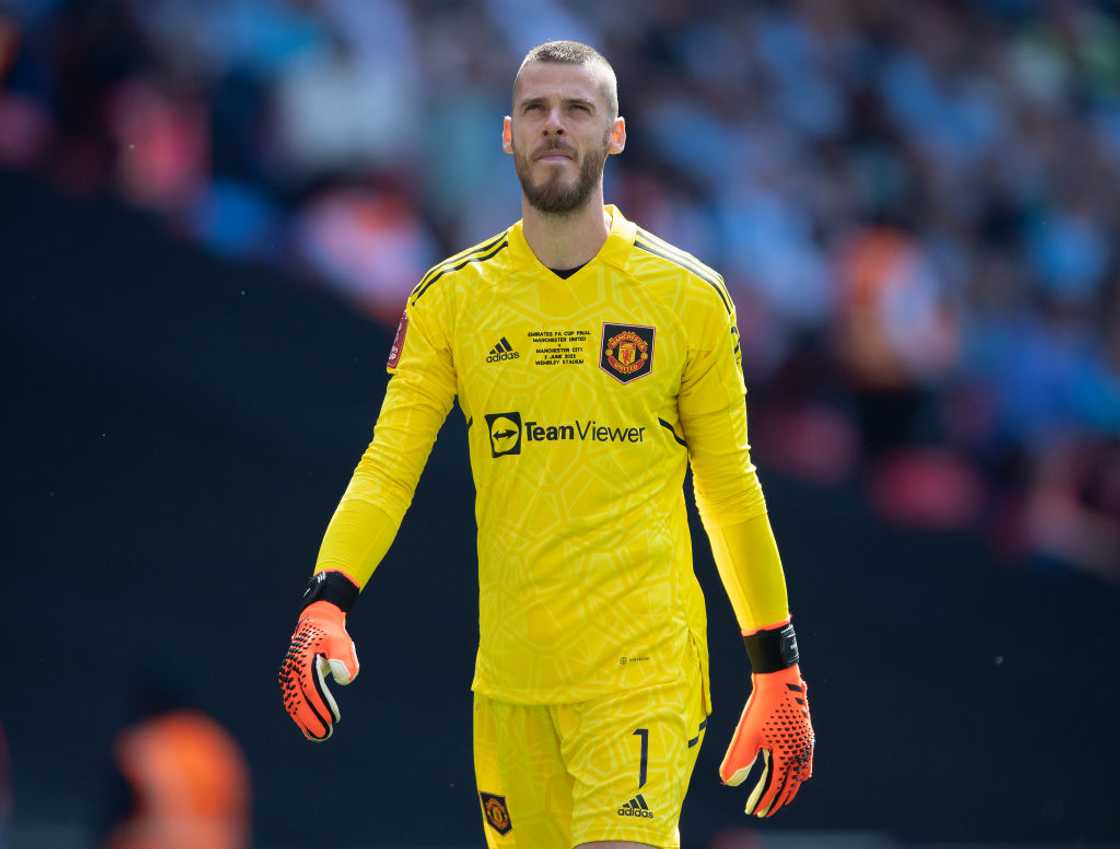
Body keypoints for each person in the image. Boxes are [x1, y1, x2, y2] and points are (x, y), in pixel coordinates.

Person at [279, 40, 815, 849]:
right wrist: (327, 602)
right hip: (510, 683)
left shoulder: (689, 298)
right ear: (507, 133)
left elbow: (729, 490)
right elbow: (388, 467)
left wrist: (778, 668)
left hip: (643, 671)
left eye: (578, 109)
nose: (555, 125)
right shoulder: (452, 300)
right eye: (536, 109)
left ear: (617, 134)